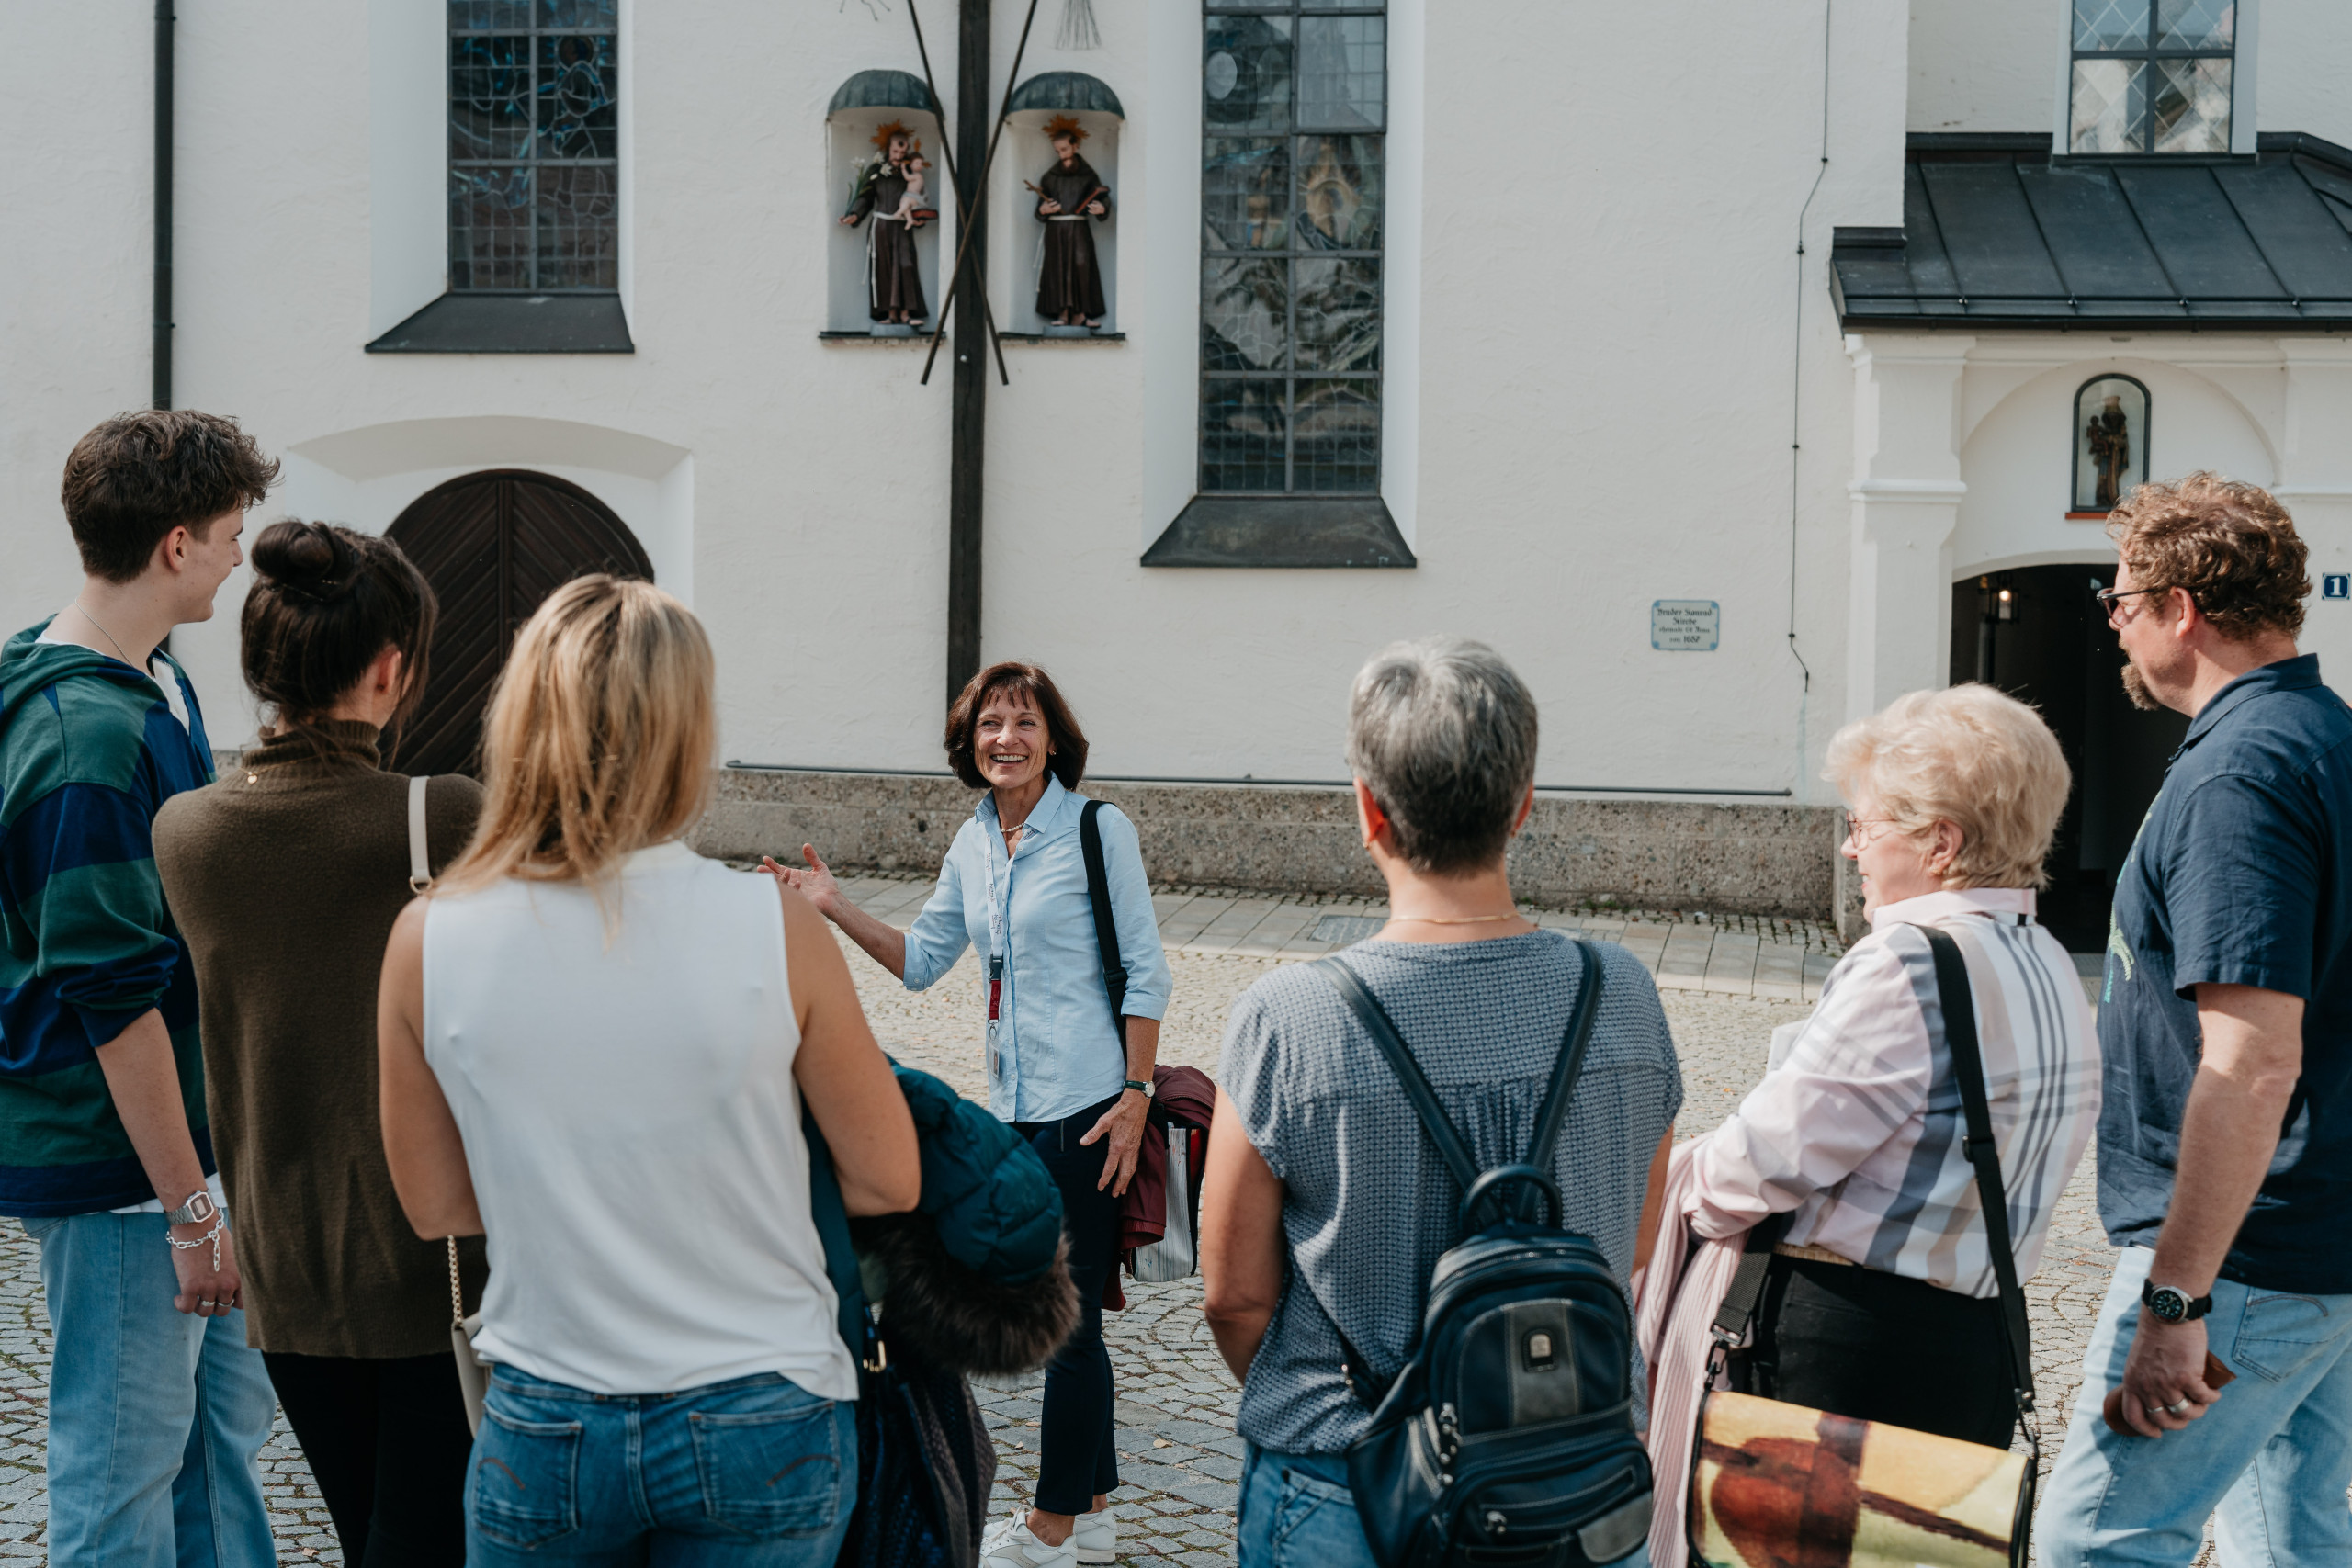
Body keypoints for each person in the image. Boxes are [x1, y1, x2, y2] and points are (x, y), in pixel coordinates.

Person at [376, 575, 920, 1564]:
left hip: (549, 1407)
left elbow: (435, 1207)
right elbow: (889, 1175)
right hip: (763, 1400)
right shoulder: (776, 927)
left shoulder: (427, 938)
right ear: (687, 732)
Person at [1197, 637, 1681, 1568]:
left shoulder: (1290, 1018)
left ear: (1368, 812)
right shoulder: (1619, 990)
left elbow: (1234, 1297)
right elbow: (1631, 1242)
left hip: (1349, 1486)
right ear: (1522, 806)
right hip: (1569, 1476)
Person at [771, 660, 1171, 1568]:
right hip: (1016, 1108)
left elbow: (1147, 970)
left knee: (1067, 1322)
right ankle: (1097, 1507)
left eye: (1023, 724)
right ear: (969, 740)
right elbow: (921, 961)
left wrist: (1135, 1099)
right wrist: (832, 907)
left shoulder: (1098, 832)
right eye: (991, 724)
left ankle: (1052, 1525)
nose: (1006, 740)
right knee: (1067, 1306)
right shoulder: (974, 843)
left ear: (1053, 740)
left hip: (1089, 1107)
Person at [153, 520, 486, 1563]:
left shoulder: (185, 831)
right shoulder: (440, 815)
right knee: (431, 1539)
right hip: (437, 1261)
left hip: (285, 1261)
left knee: (366, 1532)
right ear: (390, 670)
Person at [2040, 475, 2352, 1568]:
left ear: (2181, 607)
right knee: (2290, 1539)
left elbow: (2253, 1060)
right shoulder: (2323, 738)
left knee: (2101, 1543)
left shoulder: (2242, 775)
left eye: (2119, 601)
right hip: (2309, 1244)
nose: (2114, 625)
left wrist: (2178, 1298)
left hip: (2245, 1260)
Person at [0, 410, 280, 1564]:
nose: (235, 557)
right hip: (125, 1175)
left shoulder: (151, 682)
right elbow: (112, 996)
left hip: (183, 1154)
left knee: (219, 1448)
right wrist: (191, 1210)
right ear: (175, 545)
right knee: (119, 1475)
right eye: (227, 535)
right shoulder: (85, 737)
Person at [1677, 683, 2098, 1448]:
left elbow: (1756, 1167)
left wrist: (1669, 1193)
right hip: (1975, 1344)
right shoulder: (2048, 962)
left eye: (1863, 825)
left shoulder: (1908, 963)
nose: (1851, 848)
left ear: (1940, 842)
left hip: (1850, 1354)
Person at [842, 122, 929, 326]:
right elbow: (866, 197)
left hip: (901, 226)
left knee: (906, 266)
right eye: (895, 150)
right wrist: (854, 214)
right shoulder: (877, 171)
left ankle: (906, 313)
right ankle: (890, 314)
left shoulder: (909, 172)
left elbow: (916, 195)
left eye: (903, 150)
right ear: (887, 149)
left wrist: (918, 217)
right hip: (881, 227)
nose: (898, 155)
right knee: (884, 268)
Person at [1033, 116, 1111, 328]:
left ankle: (1081, 315)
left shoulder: (1088, 175)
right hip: (1056, 230)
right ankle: (1062, 314)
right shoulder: (1050, 177)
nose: (1062, 155)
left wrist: (1101, 208)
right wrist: (1044, 209)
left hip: (1078, 228)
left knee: (1081, 267)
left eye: (1065, 149)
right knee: (1057, 270)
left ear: (1075, 146)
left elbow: (1102, 196)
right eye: (1058, 151)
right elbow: (1039, 209)